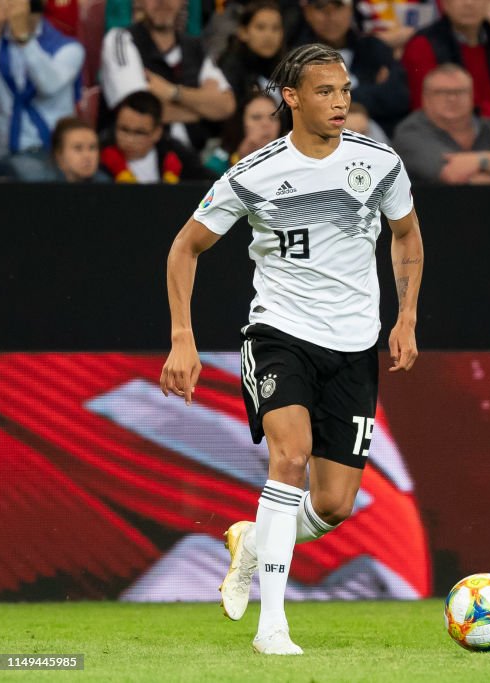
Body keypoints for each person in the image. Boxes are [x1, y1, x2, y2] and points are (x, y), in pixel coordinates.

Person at [160, 43, 424, 656]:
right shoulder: (253, 174)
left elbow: (406, 234)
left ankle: (253, 544)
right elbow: (184, 248)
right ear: (292, 98)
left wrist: (406, 315)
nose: (340, 102)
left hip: (354, 345)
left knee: (334, 504)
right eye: (326, 92)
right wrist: (182, 337)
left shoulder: (379, 163)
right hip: (280, 333)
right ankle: (272, 626)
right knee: (290, 458)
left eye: (345, 91)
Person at [99, 0, 236, 152]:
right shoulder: (120, 39)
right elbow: (139, 114)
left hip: (196, 156)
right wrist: (203, 109)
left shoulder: (195, 46)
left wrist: (173, 92)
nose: (162, 2)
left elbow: (226, 106)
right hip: (141, 159)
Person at [392, 64, 490, 184]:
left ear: (472, 96)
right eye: (442, 92)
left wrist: (480, 161)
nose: (452, 98)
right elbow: (453, 175)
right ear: (425, 98)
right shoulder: (410, 132)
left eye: (460, 92)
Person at [295, 0, 410, 134]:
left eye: (338, 7)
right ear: (307, 13)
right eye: (321, 7)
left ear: (350, 10)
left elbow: (399, 96)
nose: (330, 16)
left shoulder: (374, 48)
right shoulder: (297, 57)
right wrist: (371, 91)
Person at [0, 0, 84, 161]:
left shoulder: (69, 48)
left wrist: (24, 39)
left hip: (51, 153)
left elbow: (48, 85)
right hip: (0, 152)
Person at [402, 0, 490, 127]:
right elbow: (427, 108)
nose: (469, 3)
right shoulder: (423, 45)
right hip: (445, 132)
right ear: (444, 4)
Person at [99, 90, 215, 183]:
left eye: (139, 132)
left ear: (157, 133)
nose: (129, 139)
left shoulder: (178, 156)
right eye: (124, 129)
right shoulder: (99, 158)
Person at [218, 0, 286, 110]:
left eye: (275, 28)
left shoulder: (288, 68)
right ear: (243, 32)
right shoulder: (230, 69)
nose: (269, 36)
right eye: (260, 27)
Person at [204, 89, 284, 175]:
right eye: (256, 117)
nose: (266, 124)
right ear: (240, 123)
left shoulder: (290, 155)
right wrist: (240, 157)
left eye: (273, 118)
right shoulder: (217, 151)